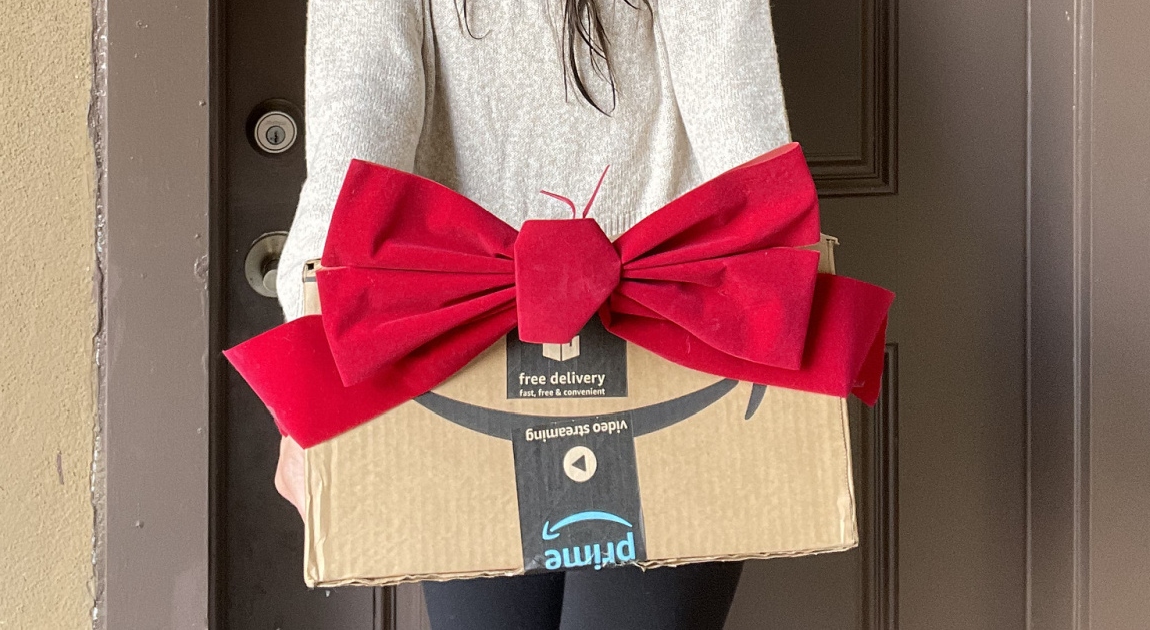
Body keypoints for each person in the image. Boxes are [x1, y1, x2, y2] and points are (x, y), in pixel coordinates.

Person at [273, 1, 792, 628]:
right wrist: (308, 382)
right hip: (488, 358)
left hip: (649, 340)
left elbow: (747, 148)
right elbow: (353, 157)